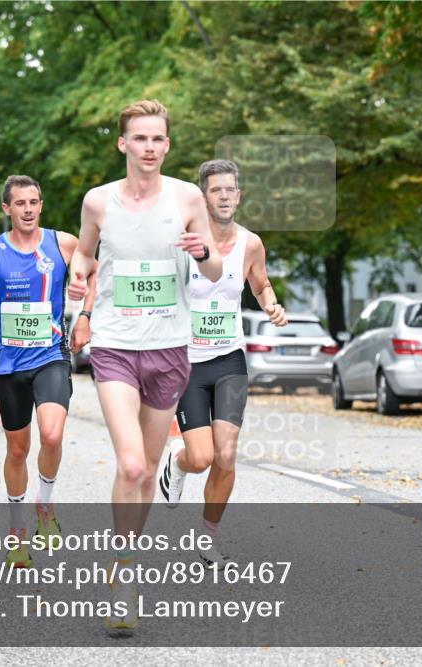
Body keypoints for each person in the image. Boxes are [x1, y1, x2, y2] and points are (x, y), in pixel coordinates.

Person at [67, 99, 222, 632]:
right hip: (114, 343)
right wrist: (79, 279)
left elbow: (214, 268)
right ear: (123, 144)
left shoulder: (188, 197)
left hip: (170, 346)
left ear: (167, 145)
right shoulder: (98, 201)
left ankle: (124, 560)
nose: (149, 147)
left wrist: (202, 253)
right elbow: (84, 254)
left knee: (149, 468)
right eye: (140, 138)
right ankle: (124, 578)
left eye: (158, 139)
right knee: (131, 465)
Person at [0, 174, 94, 568]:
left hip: (51, 356)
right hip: (10, 363)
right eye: (20, 203)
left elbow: (96, 272)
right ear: (7, 208)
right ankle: (17, 530)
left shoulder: (63, 244)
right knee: (18, 450)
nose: (28, 209)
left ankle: (44, 506)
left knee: (52, 434)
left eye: (33, 202)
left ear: (40, 205)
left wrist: (84, 316)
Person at [159, 159, 286, 570]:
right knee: (201, 458)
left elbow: (260, 284)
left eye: (230, 189)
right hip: (188, 363)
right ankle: (178, 460)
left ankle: (207, 539)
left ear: (239, 195)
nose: (225, 196)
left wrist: (271, 305)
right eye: (216, 190)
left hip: (230, 359)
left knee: (226, 455)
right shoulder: (183, 243)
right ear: (204, 197)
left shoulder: (251, 243)